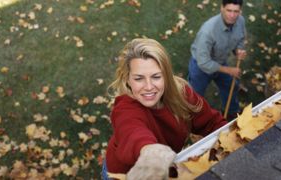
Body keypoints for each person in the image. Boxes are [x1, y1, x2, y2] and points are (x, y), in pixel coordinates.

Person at [103, 38, 227, 180]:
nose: (149, 87)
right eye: (139, 78)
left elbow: (212, 122)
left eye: (156, 77)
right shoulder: (125, 109)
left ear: (166, 76)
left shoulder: (181, 94)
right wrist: (151, 154)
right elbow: (133, 132)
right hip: (122, 175)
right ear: (127, 79)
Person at [188, 0, 247, 121]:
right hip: (200, 67)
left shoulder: (240, 21)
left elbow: (240, 39)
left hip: (220, 61)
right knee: (195, 97)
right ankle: (193, 120)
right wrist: (228, 70)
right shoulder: (208, 31)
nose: (232, 15)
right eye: (229, 10)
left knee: (231, 85)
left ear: (240, 11)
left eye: (236, 11)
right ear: (222, 8)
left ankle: (231, 113)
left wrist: (238, 51)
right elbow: (203, 62)